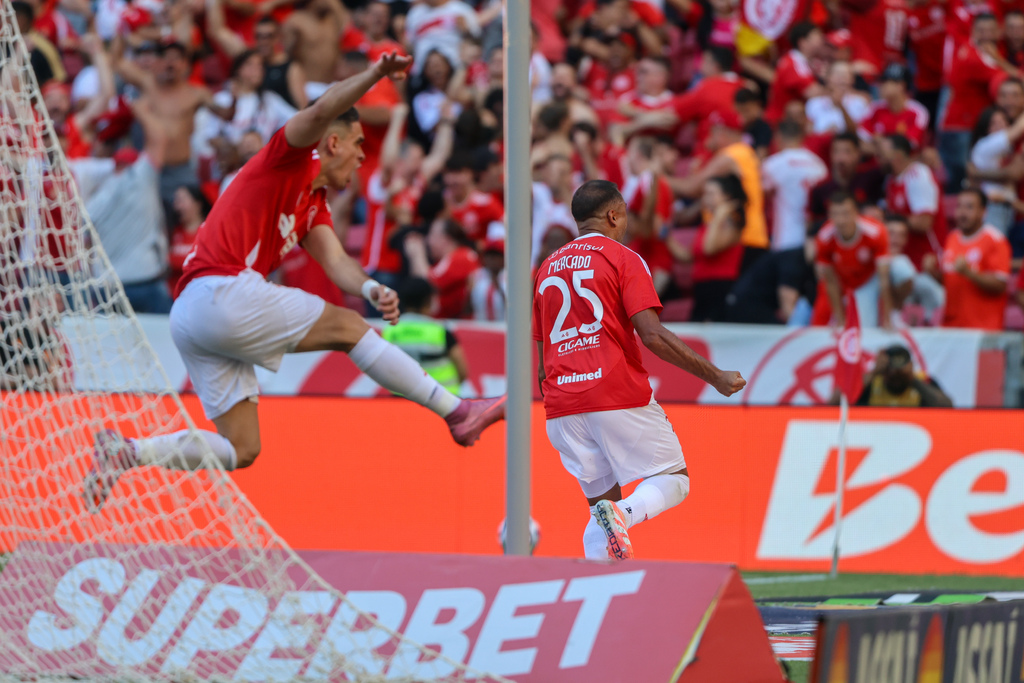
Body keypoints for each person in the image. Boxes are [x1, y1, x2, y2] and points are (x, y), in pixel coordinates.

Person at [84, 53, 506, 512]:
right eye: (358, 142)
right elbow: (323, 110)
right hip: (219, 292)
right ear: (331, 143)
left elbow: (338, 263)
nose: (364, 155)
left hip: (192, 314)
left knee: (242, 448)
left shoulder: (314, 203)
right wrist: (375, 75)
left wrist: (369, 289)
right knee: (348, 329)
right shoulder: (286, 159)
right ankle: (458, 412)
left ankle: (127, 451)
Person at [533, 179, 746, 561]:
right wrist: (715, 376)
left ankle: (602, 600)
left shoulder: (547, 268)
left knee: (600, 512)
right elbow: (652, 334)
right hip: (612, 391)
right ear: (614, 215)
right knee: (673, 480)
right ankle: (624, 513)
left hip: (561, 404)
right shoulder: (621, 257)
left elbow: (541, 355)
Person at [85, 101, 172, 314]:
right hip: (144, 281)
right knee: (164, 343)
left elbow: (86, 246)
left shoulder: (95, 198)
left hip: (107, 286)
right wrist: (140, 109)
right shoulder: (138, 177)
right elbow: (159, 138)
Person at [924, 188, 1011, 331]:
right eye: (959, 206)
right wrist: (933, 272)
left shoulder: (995, 240)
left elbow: (1000, 285)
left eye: (969, 207)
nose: (962, 212)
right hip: (951, 326)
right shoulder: (952, 237)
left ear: (983, 212)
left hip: (982, 329)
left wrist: (969, 273)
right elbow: (950, 280)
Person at [813, 191, 894, 328]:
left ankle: (894, 313)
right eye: (835, 214)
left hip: (867, 281)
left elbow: (883, 279)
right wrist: (840, 318)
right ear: (829, 215)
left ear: (856, 213)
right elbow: (830, 282)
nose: (841, 220)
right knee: (820, 325)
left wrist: (887, 318)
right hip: (841, 281)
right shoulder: (824, 238)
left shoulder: (875, 232)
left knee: (901, 269)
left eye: (845, 213)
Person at [381, 278, 469, 395]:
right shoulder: (440, 331)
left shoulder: (390, 330)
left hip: (402, 400)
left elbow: (383, 368)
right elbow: (462, 371)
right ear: (428, 300)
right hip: (441, 401)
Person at [761, 119, 828, 252]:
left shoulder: (773, 164)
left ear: (778, 137)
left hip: (786, 239)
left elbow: (759, 195)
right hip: (815, 241)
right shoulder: (819, 164)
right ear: (802, 137)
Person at [880, 133, 947, 268]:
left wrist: (887, 221)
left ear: (897, 155)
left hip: (928, 258)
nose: (878, 158)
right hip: (907, 258)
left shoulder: (917, 175)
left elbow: (923, 222)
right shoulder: (891, 181)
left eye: (882, 154)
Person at [855, 345, 953, 407]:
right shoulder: (873, 382)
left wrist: (911, 378)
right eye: (891, 372)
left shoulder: (923, 380)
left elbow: (947, 405)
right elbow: (844, 400)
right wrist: (874, 372)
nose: (896, 372)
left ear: (911, 364)